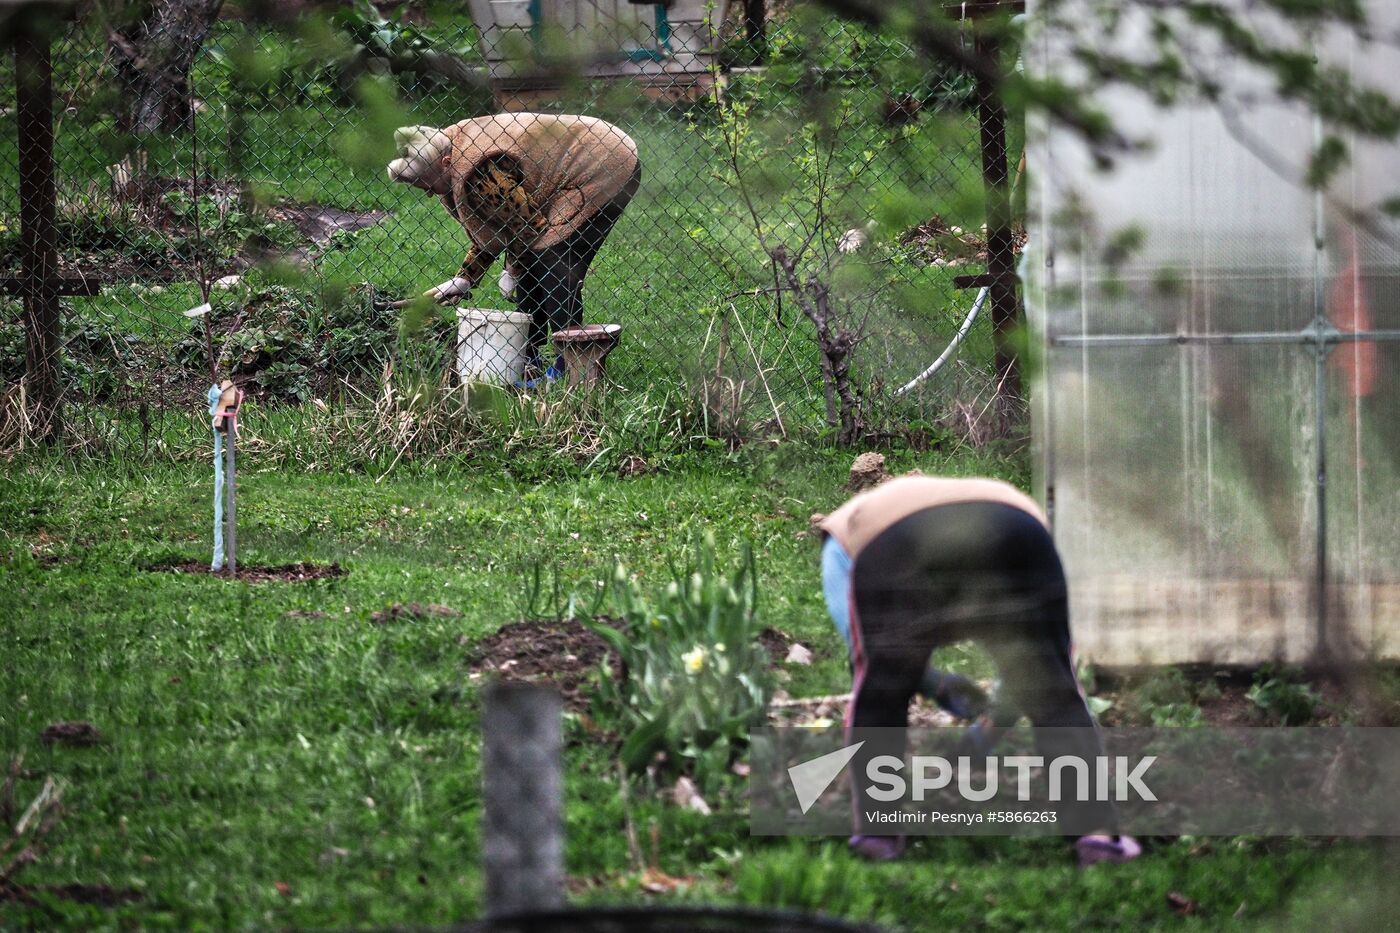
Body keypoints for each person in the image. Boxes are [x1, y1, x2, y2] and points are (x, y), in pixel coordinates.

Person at [819, 474, 1141, 866]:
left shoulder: (839, 546)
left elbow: (869, 662)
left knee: (882, 690)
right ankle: (1098, 835)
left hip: (899, 542)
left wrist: (940, 694)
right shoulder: (853, 535)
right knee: (1052, 688)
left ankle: (877, 834)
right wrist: (964, 708)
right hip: (1016, 525)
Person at [387, 113, 641, 382]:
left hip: (600, 162)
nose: (428, 193)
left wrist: (512, 270)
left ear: (446, 163)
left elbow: (528, 226)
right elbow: (503, 223)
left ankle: (570, 365)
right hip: (581, 161)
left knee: (554, 258)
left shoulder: (479, 170)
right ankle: (528, 355)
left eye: (427, 185)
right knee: (537, 256)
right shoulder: (445, 147)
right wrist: (465, 278)